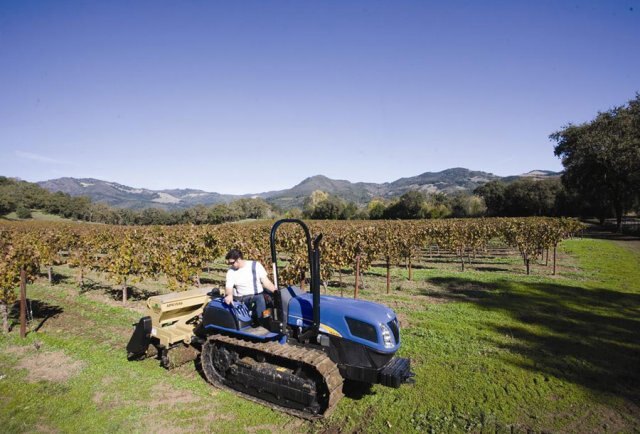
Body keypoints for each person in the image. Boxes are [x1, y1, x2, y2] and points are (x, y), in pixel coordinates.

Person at [224, 249, 277, 320]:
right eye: (229, 263)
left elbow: (266, 282)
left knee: (275, 299)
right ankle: (263, 322)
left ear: (239, 259)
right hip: (244, 298)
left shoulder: (255, 265)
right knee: (260, 299)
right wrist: (229, 295)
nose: (231, 265)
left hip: (259, 294)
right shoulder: (231, 272)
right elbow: (229, 288)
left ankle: (274, 319)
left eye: (232, 263)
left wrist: (277, 292)